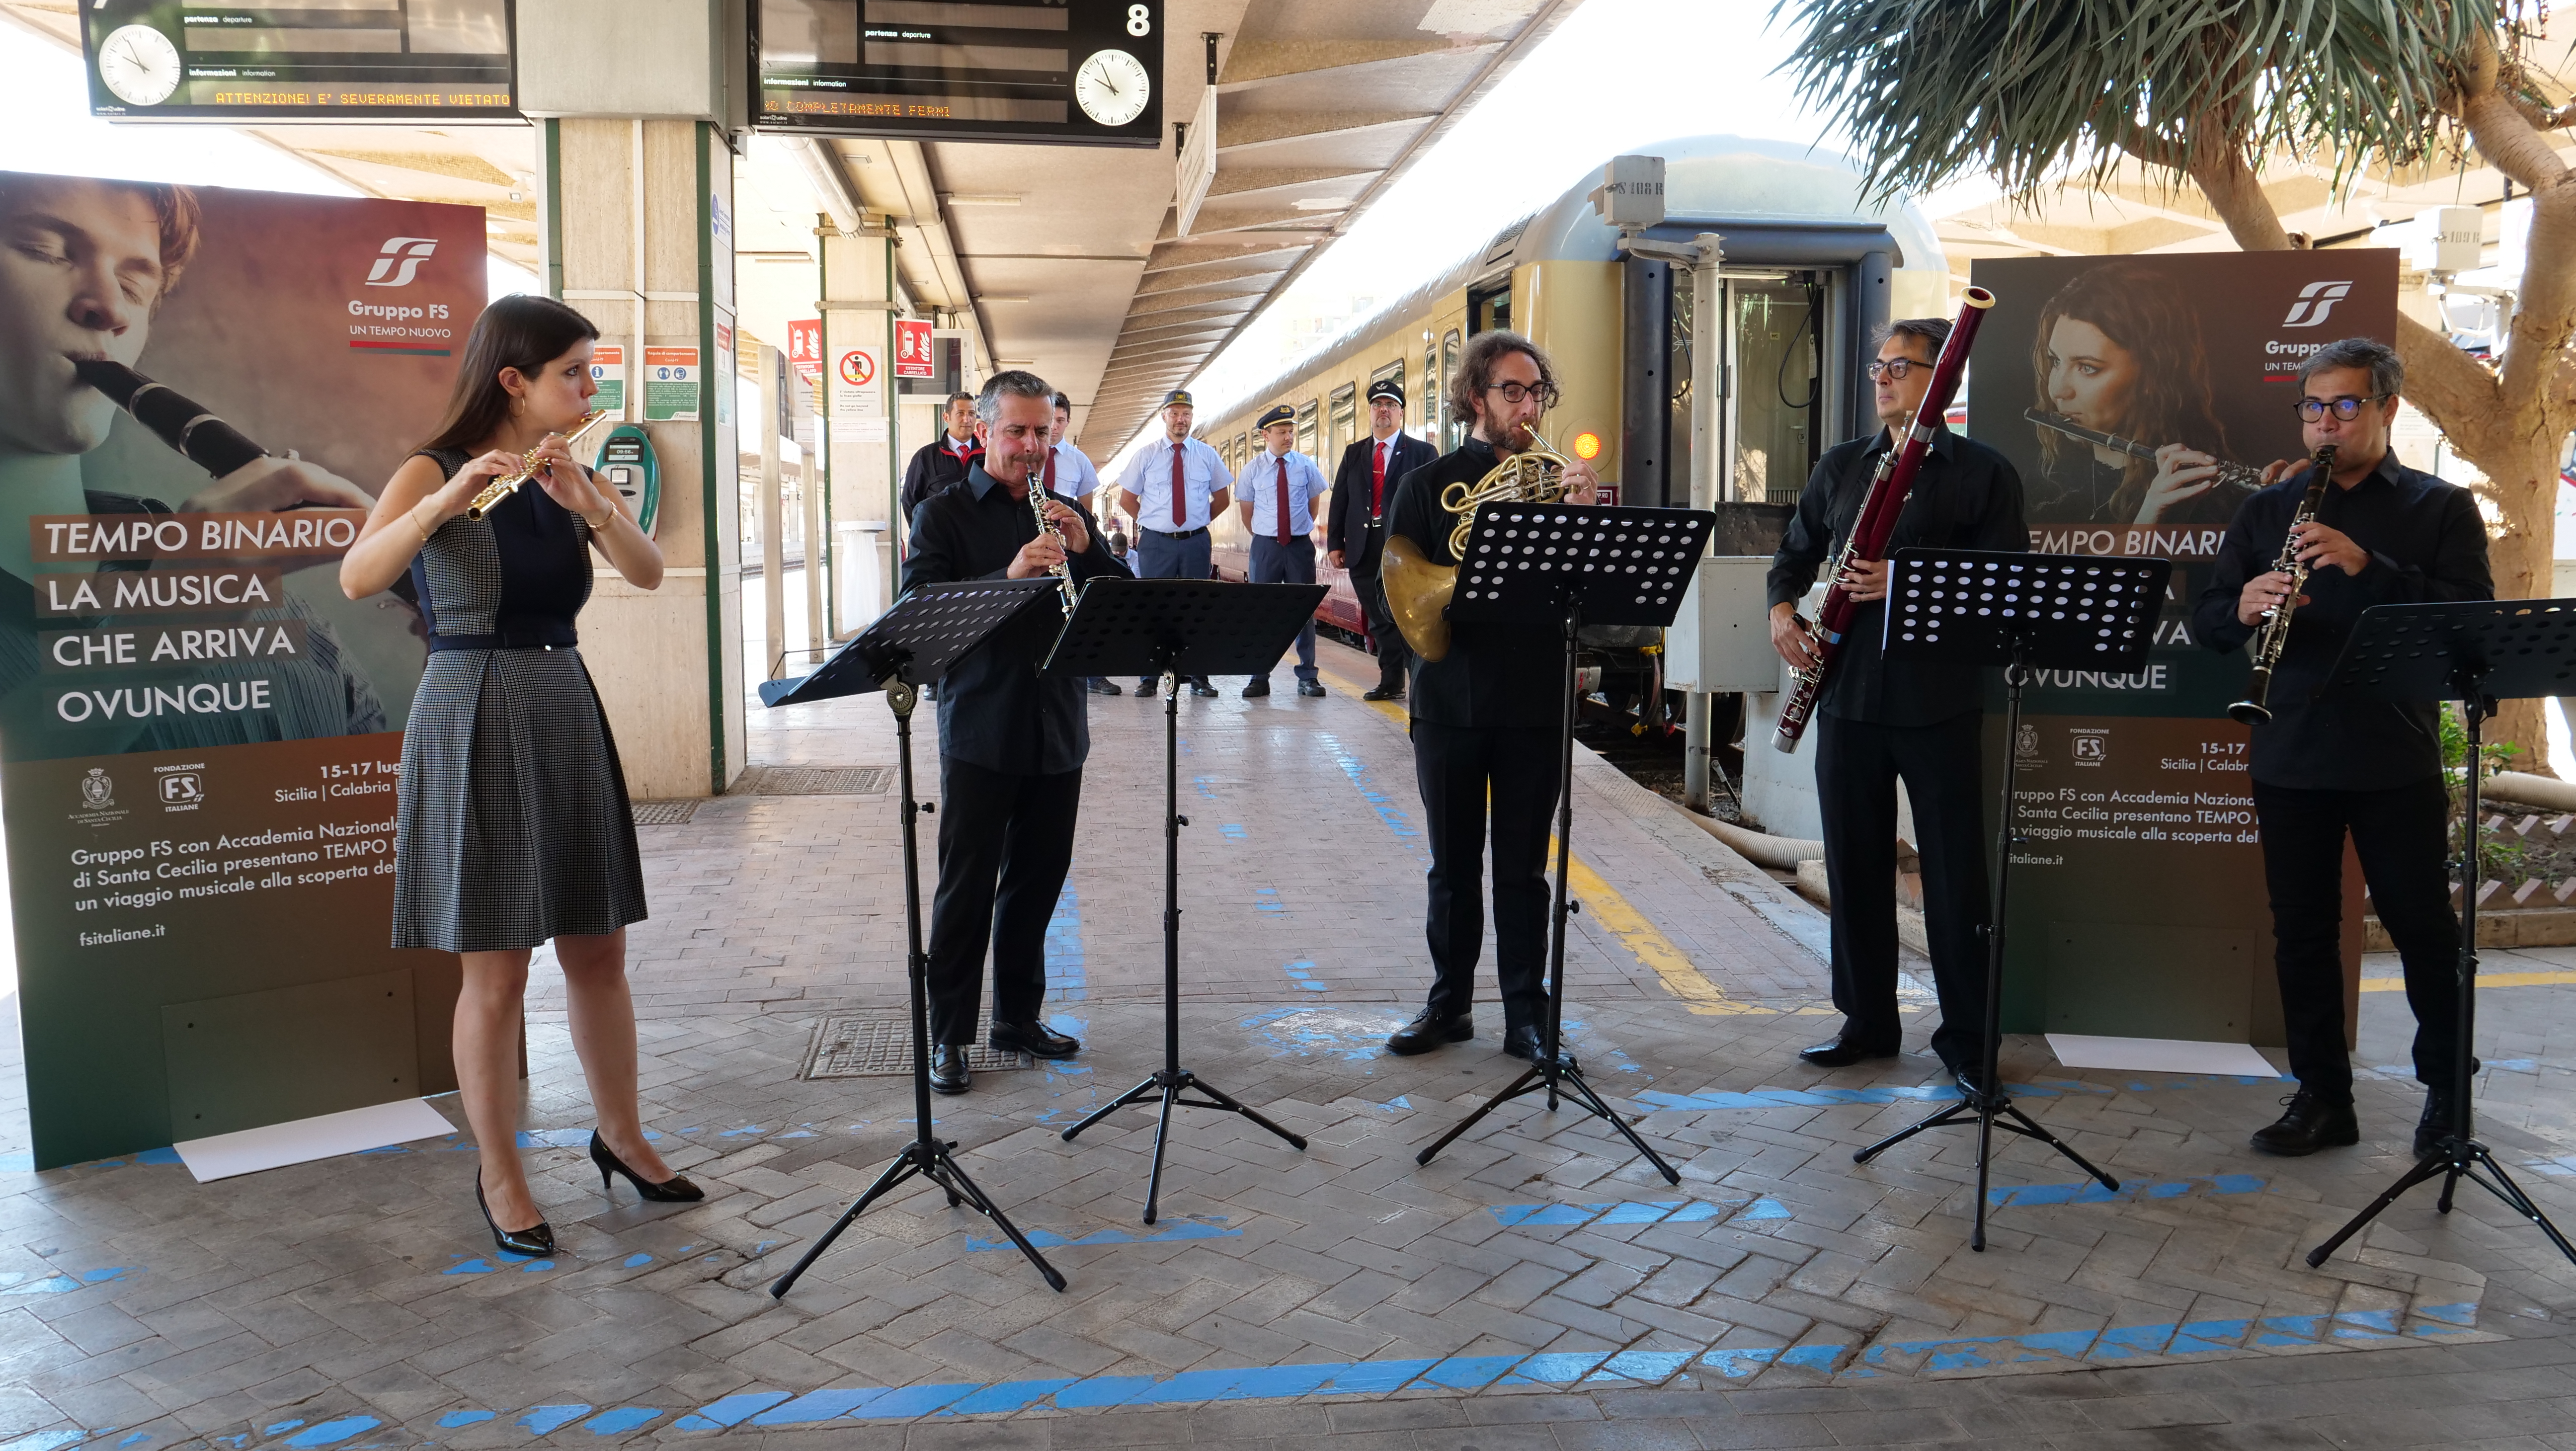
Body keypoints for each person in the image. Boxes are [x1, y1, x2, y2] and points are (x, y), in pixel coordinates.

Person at [338, 294, 686, 1258]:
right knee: (495, 965)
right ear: (514, 380)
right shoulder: (432, 466)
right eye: (575, 372)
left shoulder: (563, 471)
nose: (591, 388)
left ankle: (622, 1135)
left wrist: (595, 505)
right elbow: (360, 577)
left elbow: (649, 572)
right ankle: (500, 1170)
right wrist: (444, 504)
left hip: (562, 698)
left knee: (598, 946)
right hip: (471, 703)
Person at [2192, 338, 2491, 1157]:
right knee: (2300, 932)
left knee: (2421, 927)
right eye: (2313, 407)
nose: (2324, 423)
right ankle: (2322, 1097)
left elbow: (2466, 622)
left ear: (2386, 409)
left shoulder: (2437, 509)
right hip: (2286, 745)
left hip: (2390, 753)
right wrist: (2244, 605)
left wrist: (2369, 566)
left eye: (2344, 406)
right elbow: (2206, 618)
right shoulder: (2267, 510)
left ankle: (2445, 1096)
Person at [0, 172, 389, 760]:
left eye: (135, 287)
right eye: (46, 252)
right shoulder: (218, 584)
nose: (109, 310)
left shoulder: (269, 605)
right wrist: (164, 627)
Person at [1766, 317, 2028, 1086]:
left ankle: (1969, 1043)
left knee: (1954, 877)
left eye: (1900, 366)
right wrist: (1784, 614)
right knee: (1853, 866)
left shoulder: (1984, 474)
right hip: (1847, 698)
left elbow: (2005, 585)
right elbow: (1793, 555)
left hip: (1938, 701)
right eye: (1878, 366)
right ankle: (1867, 1021)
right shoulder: (1844, 465)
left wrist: (1906, 580)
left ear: (1941, 378)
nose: (1882, 378)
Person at [905, 370, 1132, 1094]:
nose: (1032, 446)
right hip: (980, 724)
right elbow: (920, 616)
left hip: (1057, 725)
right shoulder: (942, 517)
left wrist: (1088, 545)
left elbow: (1123, 607)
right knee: (966, 887)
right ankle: (948, 1036)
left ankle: (1016, 1017)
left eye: (1043, 432)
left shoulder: (1063, 510)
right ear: (983, 431)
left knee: (1037, 884)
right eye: (1017, 432)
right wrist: (1009, 575)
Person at [1380, 330, 1600, 1059]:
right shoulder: (1426, 484)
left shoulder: (1555, 483)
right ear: (1476, 396)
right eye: (1514, 390)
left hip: (1534, 697)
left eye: (1537, 392)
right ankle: (1449, 1006)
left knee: (1522, 871)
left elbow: (1589, 599)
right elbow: (1399, 593)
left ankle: (1526, 1017)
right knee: (1452, 867)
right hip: (1449, 697)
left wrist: (1582, 524)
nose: (1528, 405)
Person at [2026, 259, 2241, 528]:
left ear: (2153, 373)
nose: (2058, 390)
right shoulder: (2044, 488)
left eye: (2088, 368)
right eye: (2056, 361)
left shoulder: (2207, 495)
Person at [1116, 388, 1232, 697]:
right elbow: (1128, 498)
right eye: (1175, 413)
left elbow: (1223, 498)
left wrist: (1197, 520)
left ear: (1192, 417)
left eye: (1187, 414)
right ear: (1164, 416)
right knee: (1155, 607)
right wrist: (1155, 521)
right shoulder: (1146, 454)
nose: (1181, 420)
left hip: (1195, 542)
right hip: (1157, 543)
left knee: (1197, 607)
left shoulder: (1206, 454)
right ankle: (1149, 678)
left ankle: (1199, 677)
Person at [1327, 377, 1437, 701]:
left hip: (1405, 545)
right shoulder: (1354, 453)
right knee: (1380, 620)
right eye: (1378, 405)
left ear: (1401, 413)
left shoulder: (1422, 452)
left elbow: (1432, 501)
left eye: (1390, 406)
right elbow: (1341, 500)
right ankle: (1391, 681)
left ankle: (1420, 681)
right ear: (1370, 412)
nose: (1383, 411)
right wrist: (1336, 543)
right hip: (1363, 547)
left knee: (1409, 616)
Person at [1236, 403, 1330, 698]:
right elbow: (1247, 513)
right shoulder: (1252, 470)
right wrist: (1270, 535)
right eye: (1281, 432)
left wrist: (1295, 531)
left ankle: (1308, 676)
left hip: (1300, 546)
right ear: (1267, 435)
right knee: (1262, 612)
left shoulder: (1306, 465)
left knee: (1304, 611)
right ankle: (1259, 677)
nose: (1288, 437)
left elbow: (1312, 506)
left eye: (1291, 431)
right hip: (1266, 547)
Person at [1044, 391, 1116, 697]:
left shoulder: (1079, 461)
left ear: (1068, 422)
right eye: (1051, 420)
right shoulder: (1027, 453)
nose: (1055, 427)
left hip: (1070, 547)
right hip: (1036, 545)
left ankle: (1092, 673)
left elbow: (1084, 510)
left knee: (1080, 606)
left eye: (1061, 421)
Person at [900, 390, 982, 518]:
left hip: (981, 536)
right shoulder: (926, 457)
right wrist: (924, 534)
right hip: (941, 537)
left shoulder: (989, 455)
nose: (967, 419)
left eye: (971, 414)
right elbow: (909, 502)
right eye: (960, 413)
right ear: (946, 417)